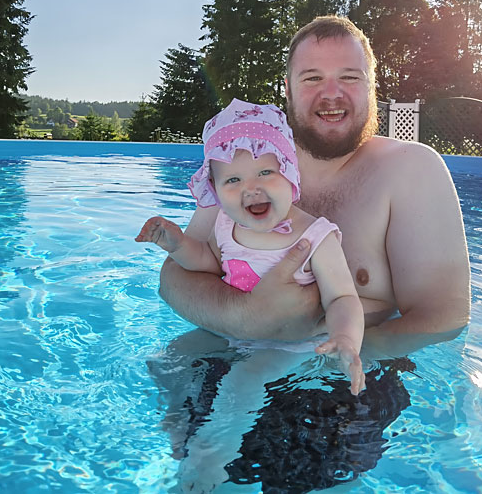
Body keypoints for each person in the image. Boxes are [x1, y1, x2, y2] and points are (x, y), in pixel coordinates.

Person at [158, 15, 471, 352]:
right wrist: (243, 316)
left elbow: (442, 318)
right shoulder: (246, 160)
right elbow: (174, 278)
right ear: (288, 88)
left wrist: (309, 357)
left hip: (340, 374)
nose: (331, 94)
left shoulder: (411, 170)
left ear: (371, 87)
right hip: (225, 345)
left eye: (349, 77)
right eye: (312, 78)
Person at [136, 98, 365, 394]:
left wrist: (345, 339)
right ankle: (178, 427)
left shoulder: (316, 236)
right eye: (233, 179)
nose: (251, 188)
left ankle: (214, 441)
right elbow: (207, 261)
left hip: (288, 345)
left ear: (290, 173)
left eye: (265, 172)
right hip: (229, 333)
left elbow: (343, 298)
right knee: (168, 360)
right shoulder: (225, 225)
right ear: (216, 191)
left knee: (242, 384)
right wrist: (176, 244)